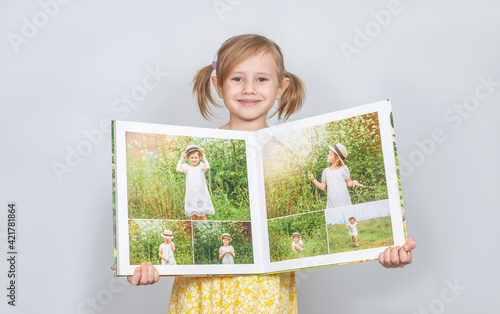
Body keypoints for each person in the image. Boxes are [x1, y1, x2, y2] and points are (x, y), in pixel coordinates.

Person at [118, 34, 417, 314]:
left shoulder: (288, 153)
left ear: (280, 88)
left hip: (267, 298)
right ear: (219, 86)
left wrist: (388, 248)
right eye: (237, 78)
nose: (249, 88)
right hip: (201, 298)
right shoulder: (197, 149)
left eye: (261, 79)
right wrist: (140, 265)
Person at [308, 143, 364, 208]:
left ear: (337, 158)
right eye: (328, 154)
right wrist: (313, 179)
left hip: (344, 202)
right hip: (332, 204)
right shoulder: (326, 172)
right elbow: (322, 187)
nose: (327, 155)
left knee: (346, 217)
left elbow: (348, 182)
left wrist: (354, 182)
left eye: (330, 154)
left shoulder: (343, 169)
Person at [176, 145, 214, 220]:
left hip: (201, 195)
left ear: (199, 158)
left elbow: (208, 167)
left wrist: (204, 157)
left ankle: (204, 230)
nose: (194, 160)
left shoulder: (200, 166)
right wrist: (181, 160)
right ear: (188, 158)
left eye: (196, 157)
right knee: (193, 216)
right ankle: (194, 231)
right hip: (191, 195)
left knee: (203, 216)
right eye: (192, 158)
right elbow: (178, 169)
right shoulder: (187, 167)